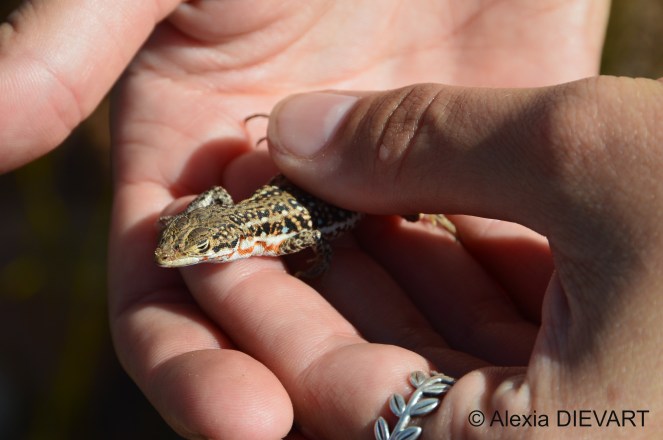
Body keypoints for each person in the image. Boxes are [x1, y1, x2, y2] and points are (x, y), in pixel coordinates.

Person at [2, 0, 661, 438]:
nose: (175, 258)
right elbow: (210, 210)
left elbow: (314, 235)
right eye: (181, 249)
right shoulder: (232, 222)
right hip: (312, 179)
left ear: (222, 242)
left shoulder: (269, 230)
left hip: (343, 189)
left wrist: (317, 257)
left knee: (400, 206)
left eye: (187, 250)